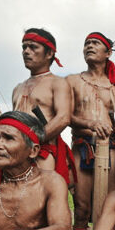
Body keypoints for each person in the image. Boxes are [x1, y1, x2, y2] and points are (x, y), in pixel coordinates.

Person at [66, 32, 115, 230]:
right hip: (82, 147)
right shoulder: (72, 81)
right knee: (81, 206)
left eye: (95, 43)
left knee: (110, 206)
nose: (89, 46)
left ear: (108, 52)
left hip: (111, 150)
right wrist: (90, 124)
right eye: (86, 43)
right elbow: (65, 115)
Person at [12, 28, 75, 186]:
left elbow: (63, 118)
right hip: (17, 152)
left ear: (49, 54)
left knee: (40, 200)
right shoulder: (18, 88)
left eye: (33, 47)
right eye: (24, 47)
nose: (26, 51)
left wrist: (32, 141)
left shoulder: (58, 83)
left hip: (43, 151)